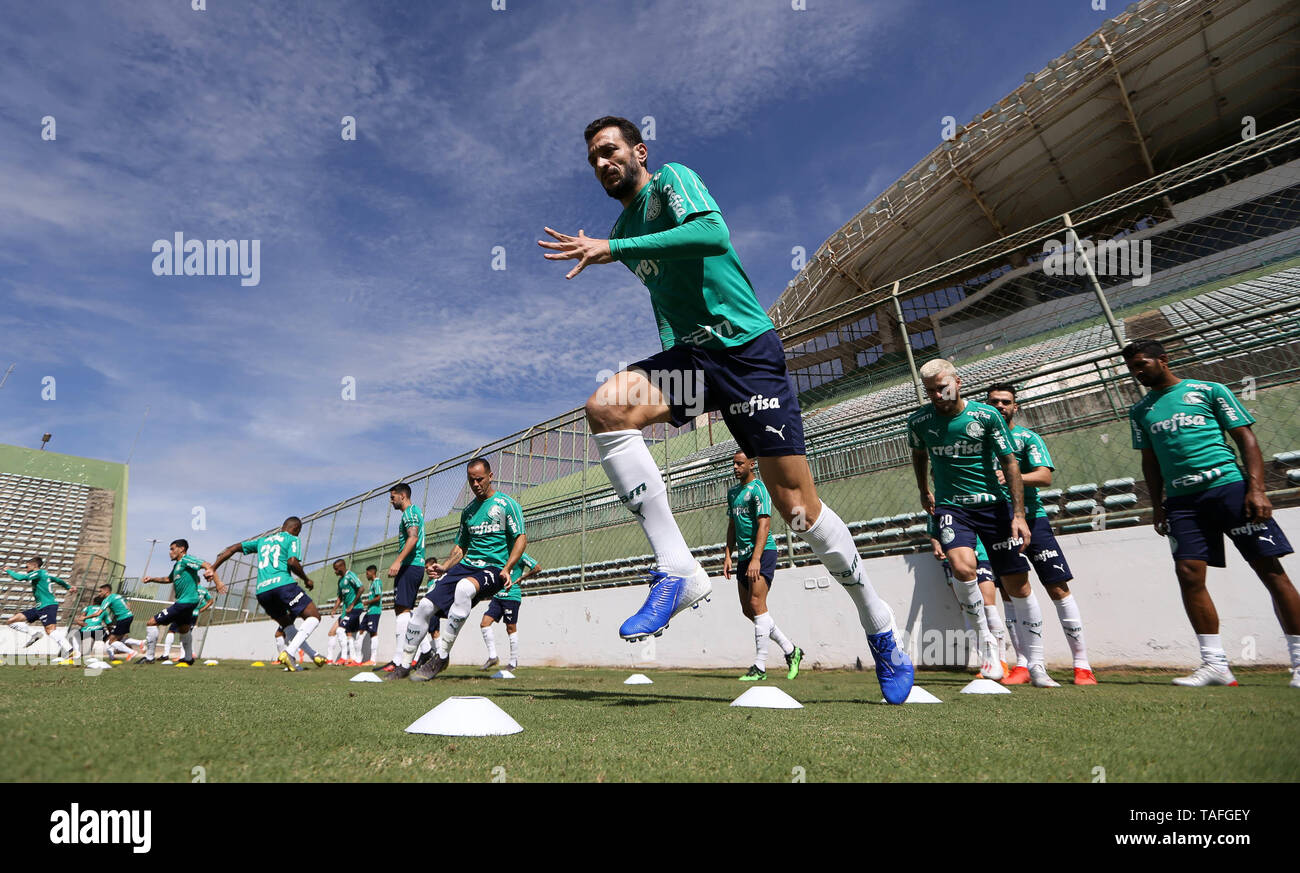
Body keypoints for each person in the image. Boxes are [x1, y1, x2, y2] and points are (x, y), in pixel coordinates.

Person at [538, 115, 912, 703]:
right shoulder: (622, 228)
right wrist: (673, 358)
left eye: (609, 151)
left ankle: (879, 624)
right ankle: (679, 570)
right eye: (592, 160)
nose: (601, 164)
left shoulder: (671, 183)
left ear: (638, 151)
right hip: (696, 362)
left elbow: (712, 234)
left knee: (799, 512)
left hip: (747, 354)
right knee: (607, 409)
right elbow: (666, 297)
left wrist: (614, 247)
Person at [1123, 339, 1299, 687]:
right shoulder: (1140, 411)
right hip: (1182, 501)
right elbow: (1150, 461)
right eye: (1132, 368)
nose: (1137, 372)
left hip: (1229, 489)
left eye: (1142, 364)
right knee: (1188, 574)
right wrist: (1158, 506)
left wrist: (1257, 489)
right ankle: (1215, 665)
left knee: (1270, 570)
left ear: (1163, 359)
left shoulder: (1209, 390)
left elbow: (1245, 439)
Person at [908, 359, 1056, 687]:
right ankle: (989, 652)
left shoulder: (986, 416)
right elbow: (919, 455)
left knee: (1017, 584)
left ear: (958, 382)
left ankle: (1036, 664)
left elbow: (1010, 463)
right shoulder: (918, 421)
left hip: (994, 508)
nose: (937, 394)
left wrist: (1019, 515)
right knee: (962, 569)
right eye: (930, 390)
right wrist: (923, 489)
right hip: (952, 508)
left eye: (942, 387)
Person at [985, 383, 1097, 685]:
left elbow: (1044, 476)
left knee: (1057, 588)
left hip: (1032, 520)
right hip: (996, 521)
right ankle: (1024, 664)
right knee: (1009, 591)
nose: (1000, 406)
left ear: (1015, 407)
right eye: (994, 401)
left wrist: (1011, 477)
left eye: (1005, 402)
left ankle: (1082, 664)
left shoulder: (1026, 438)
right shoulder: (981, 442)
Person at [386, 458, 525, 681]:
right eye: (471, 481)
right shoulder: (468, 511)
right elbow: (461, 546)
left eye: (480, 479)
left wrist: (508, 568)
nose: (476, 484)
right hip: (466, 566)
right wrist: (445, 567)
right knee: (423, 606)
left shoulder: (507, 504)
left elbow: (520, 538)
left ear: (490, 476)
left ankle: (441, 656)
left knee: (463, 588)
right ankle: (403, 665)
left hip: (494, 568)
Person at [208, 517, 326, 672]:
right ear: (296, 529)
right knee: (314, 616)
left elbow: (232, 548)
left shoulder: (263, 541)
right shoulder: (292, 539)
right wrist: (306, 579)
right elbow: (292, 562)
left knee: (287, 626)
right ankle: (289, 652)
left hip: (263, 592)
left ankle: (313, 654)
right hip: (283, 585)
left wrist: (213, 568)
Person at [724, 450, 802, 681]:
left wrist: (756, 558)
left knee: (757, 603)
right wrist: (728, 555)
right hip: (744, 556)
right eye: (734, 464)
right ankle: (791, 650)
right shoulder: (733, 493)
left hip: (763, 552)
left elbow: (764, 525)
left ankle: (760, 666)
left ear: (751, 464)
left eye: (739, 463)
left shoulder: (759, 489)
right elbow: (731, 526)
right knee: (749, 610)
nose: (735, 468)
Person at [139, 540, 223, 666]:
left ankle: (149, 657)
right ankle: (188, 658)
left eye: (172, 549)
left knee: (151, 622)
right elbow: (168, 579)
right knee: (184, 629)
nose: (170, 552)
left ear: (181, 549)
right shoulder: (177, 565)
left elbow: (206, 564)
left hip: (185, 602)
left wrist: (218, 583)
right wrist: (152, 579)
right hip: (188, 603)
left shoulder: (186, 560)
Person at [375, 483, 426, 672]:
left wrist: (398, 561)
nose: (391, 501)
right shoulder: (411, 513)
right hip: (412, 566)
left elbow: (413, 538)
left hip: (410, 566)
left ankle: (399, 659)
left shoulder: (410, 513)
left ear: (402, 496)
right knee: (403, 609)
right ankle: (426, 650)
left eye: (393, 497)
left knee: (402, 610)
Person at [480, 552, 540, 671]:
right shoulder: (500, 553)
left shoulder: (521, 555)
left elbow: (537, 568)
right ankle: (493, 657)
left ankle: (513, 661)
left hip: (512, 596)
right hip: (497, 596)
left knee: (510, 628)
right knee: (484, 623)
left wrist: (522, 577)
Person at [5, 556, 74, 660]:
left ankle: (70, 652)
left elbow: (20, 578)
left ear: (34, 566)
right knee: (11, 621)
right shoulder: (45, 574)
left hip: (48, 605)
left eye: (27, 566)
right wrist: (69, 587)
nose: (26, 569)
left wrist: (8, 570)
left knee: (51, 631)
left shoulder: (39, 573)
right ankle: (34, 634)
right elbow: (58, 580)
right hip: (39, 607)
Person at [329, 560, 364, 665]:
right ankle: (353, 658)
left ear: (342, 566)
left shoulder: (350, 575)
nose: (335, 571)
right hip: (347, 610)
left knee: (340, 630)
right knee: (350, 633)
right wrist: (335, 608)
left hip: (356, 608)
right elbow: (340, 597)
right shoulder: (340, 581)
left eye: (336, 569)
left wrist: (352, 604)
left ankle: (344, 658)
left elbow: (361, 588)